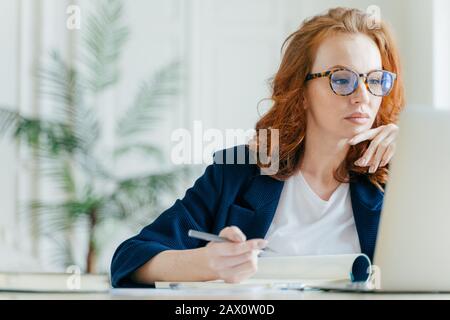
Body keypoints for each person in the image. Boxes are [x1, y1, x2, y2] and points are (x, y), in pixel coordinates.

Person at [110, 7, 405, 288]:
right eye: (342, 79)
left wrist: (415, 158)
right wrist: (207, 263)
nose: (362, 96)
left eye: (375, 80)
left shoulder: (399, 176)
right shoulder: (238, 171)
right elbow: (129, 259)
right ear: (301, 93)